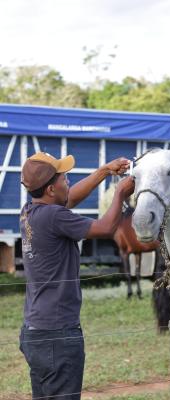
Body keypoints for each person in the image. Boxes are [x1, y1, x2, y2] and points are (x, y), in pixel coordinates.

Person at [19, 151, 135, 400]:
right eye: (63, 177)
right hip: (58, 337)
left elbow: (69, 198)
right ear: (50, 189)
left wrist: (104, 171)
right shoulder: (54, 216)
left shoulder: (30, 211)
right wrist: (120, 194)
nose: (68, 180)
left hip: (35, 332)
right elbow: (106, 228)